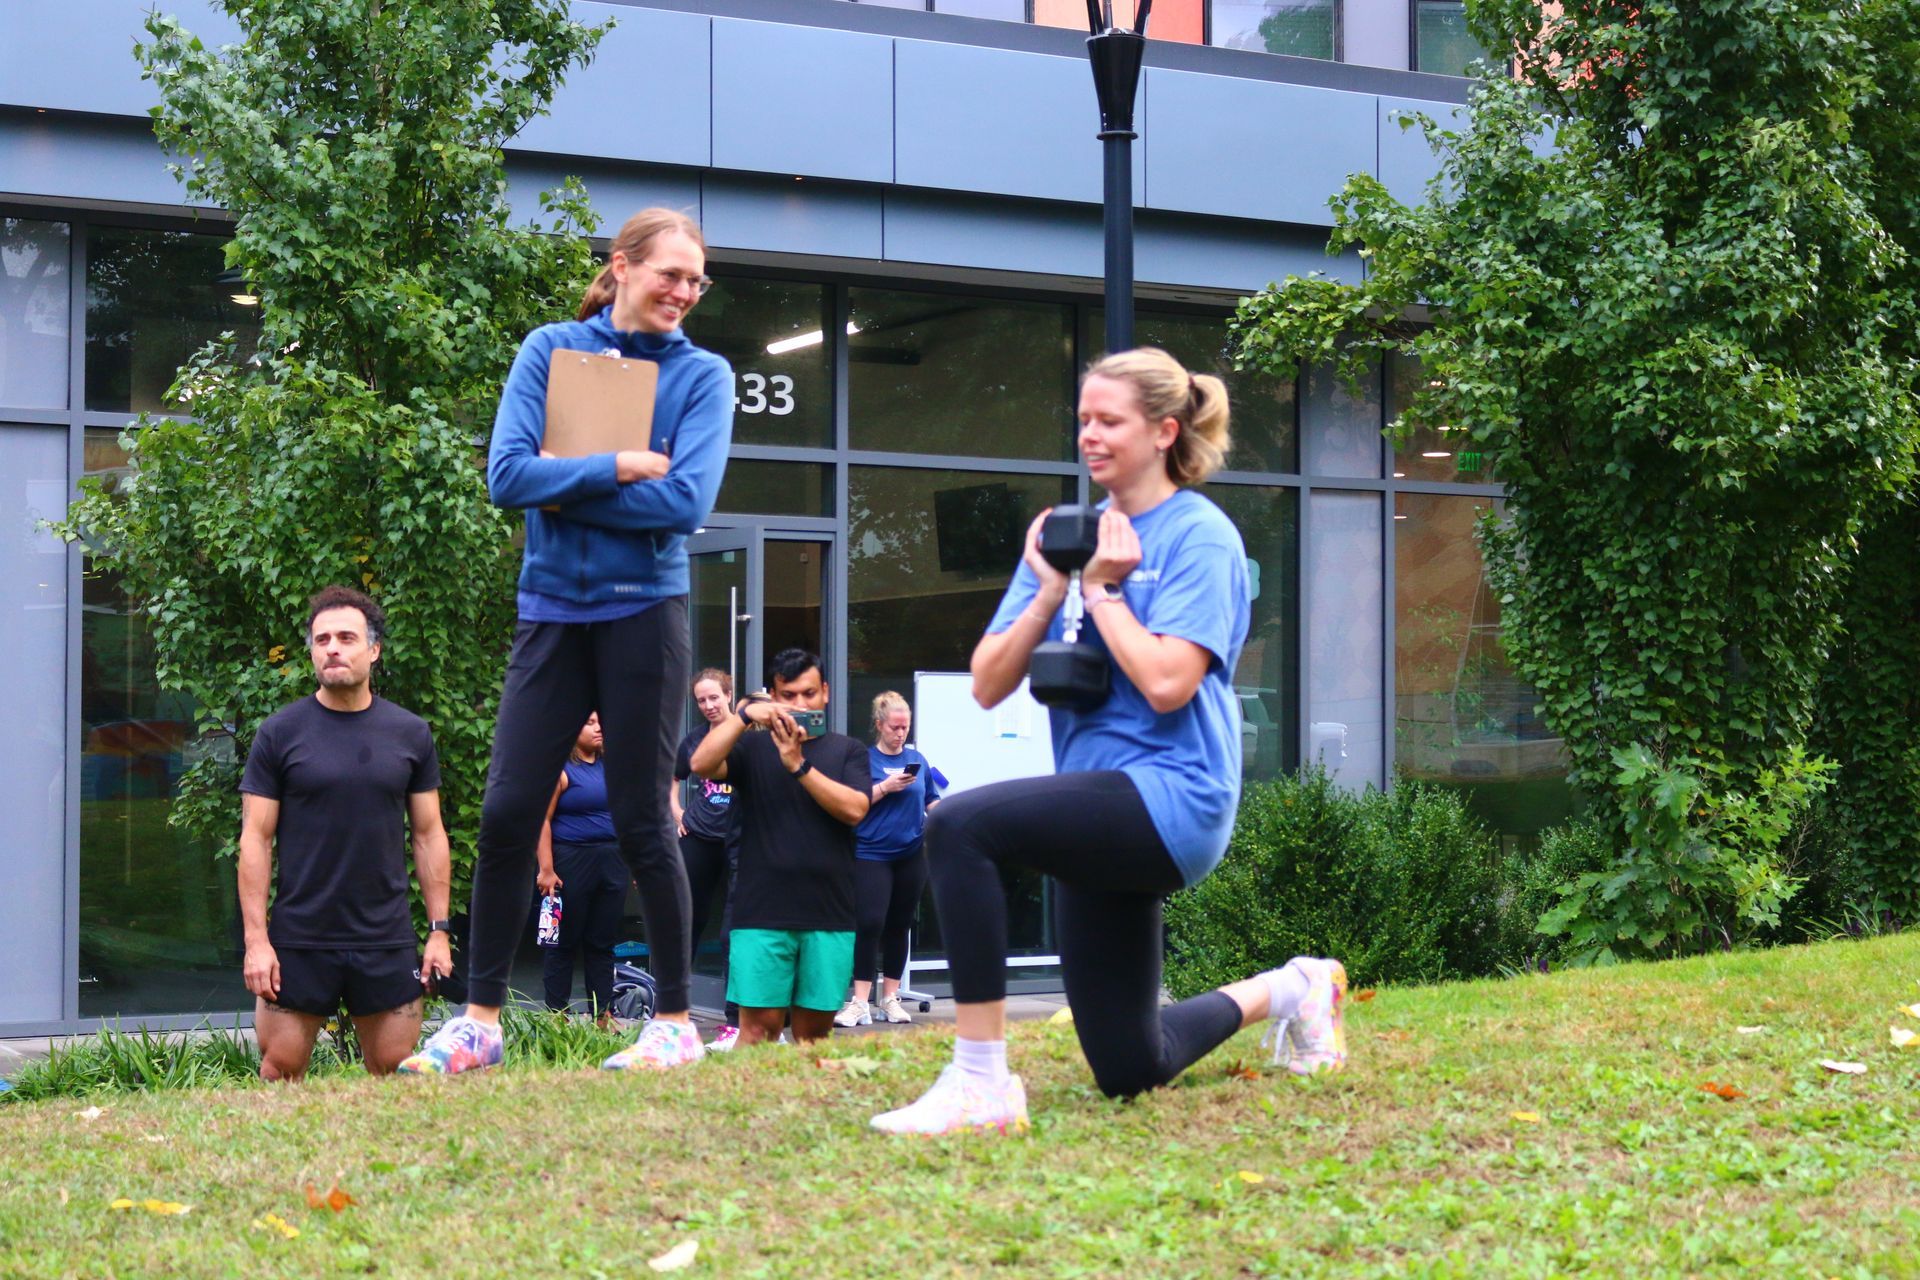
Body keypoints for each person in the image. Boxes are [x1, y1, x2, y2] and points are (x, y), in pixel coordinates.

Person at [871, 348, 1348, 1137]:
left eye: (1109, 421)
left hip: (1173, 797)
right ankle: (1296, 986)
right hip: (1098, 803)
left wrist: (1102, 591)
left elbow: (1168, 684)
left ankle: (982, 1080)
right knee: (1133, 1067)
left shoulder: (1201, 536)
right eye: (1083, 420)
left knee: (958, 824)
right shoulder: (1065, 535)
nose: (1089, 436)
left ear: (1164, 430)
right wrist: (1052, 587)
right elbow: (988, 682)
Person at [401, 208, 733, 1076]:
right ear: (621, 267)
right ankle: (478, 1022)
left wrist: (562, 483)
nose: (686, 291)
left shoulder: (702, 377)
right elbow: (507, 476)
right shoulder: (549, 349)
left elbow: (687, 507)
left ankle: (672, 1024)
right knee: (510, 810)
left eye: (698, 280)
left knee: (641, 820)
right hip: (551, 608)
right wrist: (616, 467)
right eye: (671, 273)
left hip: (642, 611)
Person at [238, 586, 454, 1080]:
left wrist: (439, 933)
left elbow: (429, 834)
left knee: (395, 1071)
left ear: (373, 650)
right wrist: (257, 941)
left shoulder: (410, 733)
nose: (332, 647)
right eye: (322, 639)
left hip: (384, 936)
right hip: (299, 936)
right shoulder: (279, 732)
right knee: (280, 1069)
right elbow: (255, 838)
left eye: (346, 638)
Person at [688, 649, 871, 1046]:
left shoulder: (848, 751)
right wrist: (741, 716)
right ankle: (750, 1109)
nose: (800, 704)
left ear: (825, 692)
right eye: (788, 695)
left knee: (813, 1037)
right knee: (756, 1032)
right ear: (773, 696)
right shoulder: (752, 749)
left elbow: (856, 809)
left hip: (828, 913)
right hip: (760, 912)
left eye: (809, 693)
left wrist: (798, 765)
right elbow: (699, 764)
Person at [834, 691, 943, 1028]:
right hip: (871, 853)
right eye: (894, 727)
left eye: (905, 727)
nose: (900, 734)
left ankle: (890, 999)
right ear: (879, 725)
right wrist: (885, 787)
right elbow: (850, 802)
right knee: (869, 923)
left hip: (911, 854)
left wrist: (952, 820)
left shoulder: (919, 760)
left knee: (900, 925)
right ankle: (859, 1002)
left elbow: (931, 800)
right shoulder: (862, 760)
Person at [534, 713, 629, 1022]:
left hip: (611, 861)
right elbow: (541, 821)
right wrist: (546, 869)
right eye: (589, 722)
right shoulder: (560, 770)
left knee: (602, 942)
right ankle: (557, 1019)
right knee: (562, 943)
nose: (599, 727)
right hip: (570, 861)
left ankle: (603, 1017)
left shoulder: (612, 766)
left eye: (601, 721)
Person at [672, 668, 742, 1049]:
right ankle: (673, 1015)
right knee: (685, 925)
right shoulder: (694, 739)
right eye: (701, 700)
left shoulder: (747, 736)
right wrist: (677, 813)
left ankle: (733, 1021)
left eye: (714, 697)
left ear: (728, 695)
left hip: (739, 842)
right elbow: (674, 778)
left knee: (733, 933)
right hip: (698, 837)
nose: (709, 705)